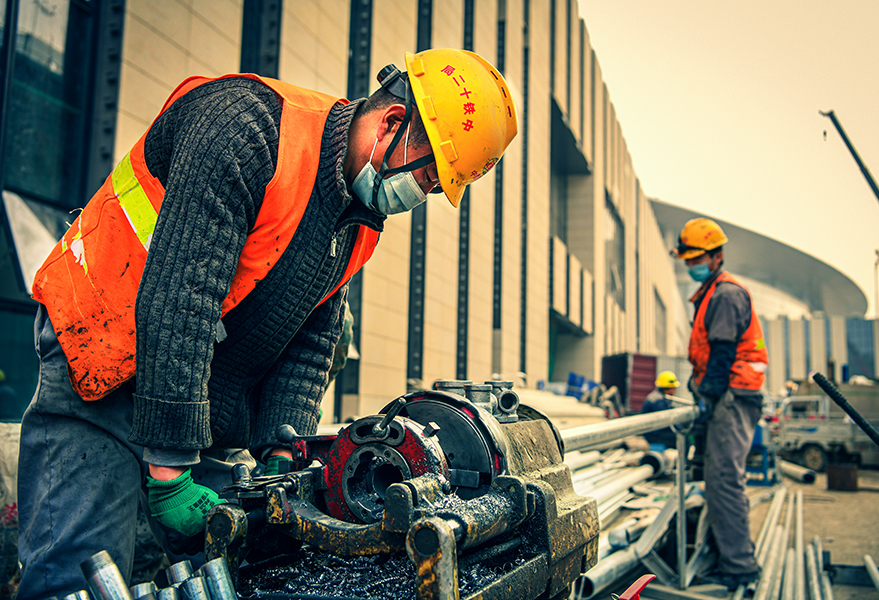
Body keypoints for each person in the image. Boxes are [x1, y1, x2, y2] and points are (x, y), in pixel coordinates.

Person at [17, 48, 517, 599]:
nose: (420, 194)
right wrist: (169, 475)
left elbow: (311, 341)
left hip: (192, 400)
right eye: (427, 175)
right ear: (392, 124)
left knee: (224, 574)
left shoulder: (356, 221)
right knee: (80, 573)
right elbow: (183, 298)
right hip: (103, 360)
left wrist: (285, 452)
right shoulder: (247, 128)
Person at [671, 217, 768, 590]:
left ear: (716, 256)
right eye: (687, 259)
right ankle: (716, 552)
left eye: (695, 258)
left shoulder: (726, 294)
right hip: (727, 391)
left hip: (733, 392)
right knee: (712, 477)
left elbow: (724, 352)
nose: (690, 265)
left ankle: (740, 567)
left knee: (724, 480)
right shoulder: (712, 291)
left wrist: (708, 396)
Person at [640, 371, 680, 449]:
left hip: (654, 432)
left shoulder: (660, 397)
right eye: (673, 388)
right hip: (654, 435)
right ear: (668, 388)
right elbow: (668, 420)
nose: (674, 390)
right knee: (680, 438)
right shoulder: (658, 401)